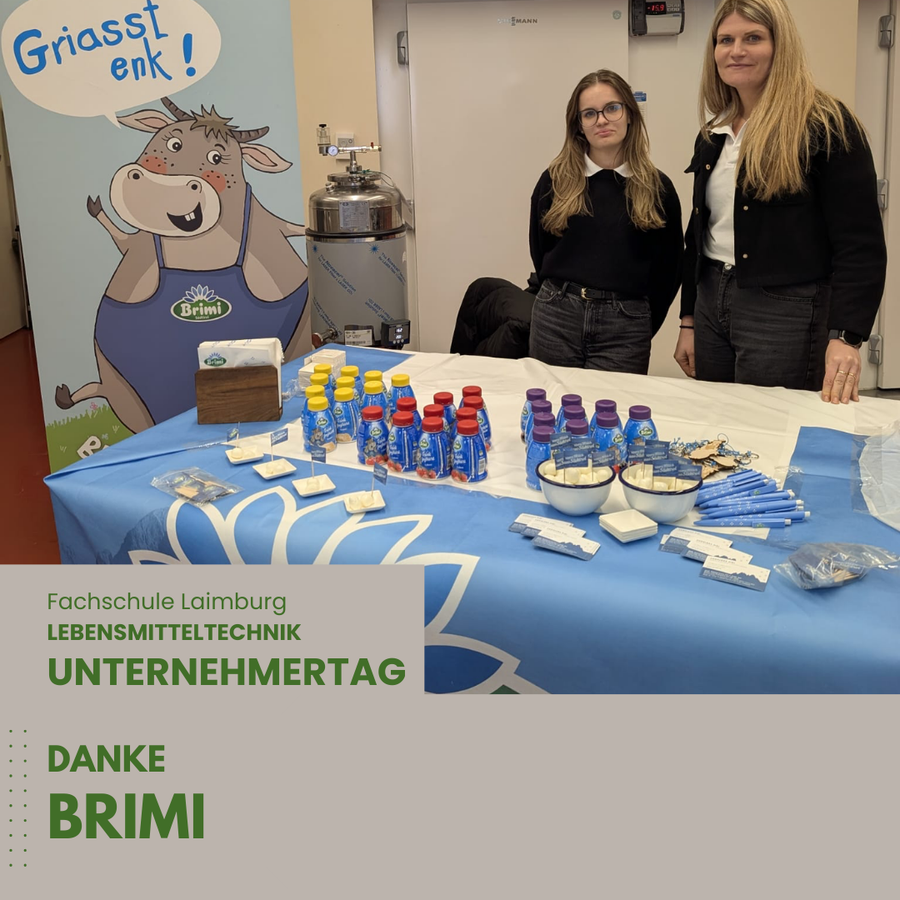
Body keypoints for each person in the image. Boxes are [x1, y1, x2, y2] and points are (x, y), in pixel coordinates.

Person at [675, 0, 886, 403]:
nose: (736, 50)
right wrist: (688, 319)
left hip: (785, 309)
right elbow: (698, 233)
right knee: (716, 417)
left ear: (780, 46)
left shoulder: (827, 125)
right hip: (711, 298)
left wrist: (846, 336)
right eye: (725, 40)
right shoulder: (714, 132)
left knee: (771, 423)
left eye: (753, 38)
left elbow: (860, 244)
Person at [527, 69, 683, 372]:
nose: (601, 120)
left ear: (630, 114)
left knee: (613, 404)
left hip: (625, 326)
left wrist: (639, 321)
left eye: (612, 108)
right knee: (552, 400)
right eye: (589, 113)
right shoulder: (555, 180)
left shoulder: (657, 188)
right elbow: (539, 248)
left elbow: (670, 268)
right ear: (579, 125)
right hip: (556, 316)